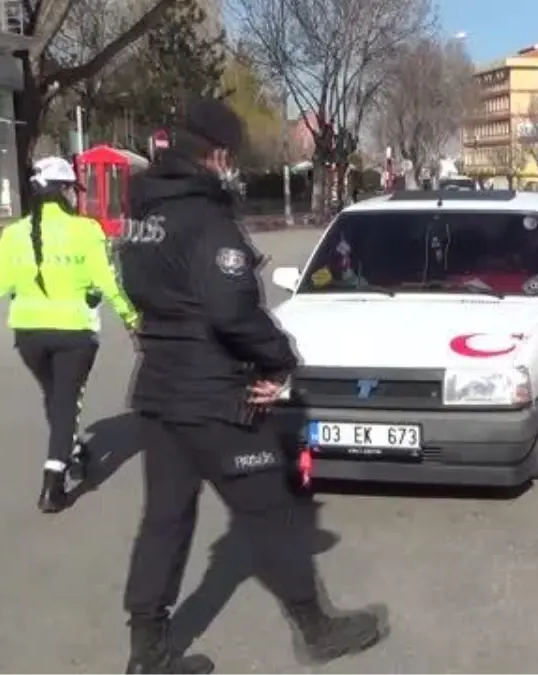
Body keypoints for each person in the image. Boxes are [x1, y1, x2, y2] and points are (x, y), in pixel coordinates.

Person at [115, 99, 385, 675]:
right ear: (216, 154)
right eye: (230, 157)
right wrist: (279, 360)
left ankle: (148, 652)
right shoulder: (207, 220)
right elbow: (231, 310)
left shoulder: (141, 212)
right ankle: (316, 630)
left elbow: (141, 294)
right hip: (216, 398)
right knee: (271, 514)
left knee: (164, 519)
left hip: (161, 392)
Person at [0, 156, 138, 512]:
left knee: (56, 397)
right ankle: (53, 482)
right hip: (75, 333)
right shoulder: (86, 230)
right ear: (65, 191)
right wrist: (131, 317)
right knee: (66, 399)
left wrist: (26, 279)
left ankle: (75, 448)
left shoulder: (13, 233)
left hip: (28, 334)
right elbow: (107, 281)